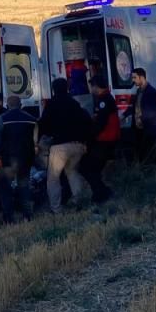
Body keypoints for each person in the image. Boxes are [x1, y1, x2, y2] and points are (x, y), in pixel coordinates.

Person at [37, 77, 92, 212]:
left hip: (60, 147)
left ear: (53, 89)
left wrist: (40, 140)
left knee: (53, 178)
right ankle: (80, 202)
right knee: (72, 173)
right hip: (78, 146)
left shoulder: (51, 104)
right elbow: (87, 121)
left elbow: (43, 125)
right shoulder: (74, 103)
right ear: (67, 88)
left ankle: (56, 208)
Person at [0, 95, 37, 223]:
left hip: (8, 160)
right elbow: (36, 140)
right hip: (26, 159)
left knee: (5, 189)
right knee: (24, 187)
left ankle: (8, 218)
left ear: (7, 106)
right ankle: (27, 215)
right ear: (21, 105)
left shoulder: (1, 119)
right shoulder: (31, 119)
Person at [81, 75, 118, 204]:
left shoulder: (103, 100)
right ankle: (100, 194)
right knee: (91, 169)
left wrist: (89, 137)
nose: (91, 89)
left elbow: (101, 123)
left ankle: (102, 193)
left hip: (104, 140)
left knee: (87, 168)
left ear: (96, 86)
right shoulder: (106, 98)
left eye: (91, 86)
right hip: (106, 140)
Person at [123, 67, 156, 165]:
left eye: (134, 78)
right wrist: (123, 115)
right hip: (139, 128)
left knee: (148, 154)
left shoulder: (151, 92)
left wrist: (142, 118)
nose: (133, 80)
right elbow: (134, 106)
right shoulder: (139, 91)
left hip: (148, 128)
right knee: (140, 151)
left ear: (141, 77)